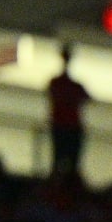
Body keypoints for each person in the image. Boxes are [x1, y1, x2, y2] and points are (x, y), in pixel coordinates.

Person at [46, 44, 90, 183]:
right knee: (66, 161)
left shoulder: (59, 83)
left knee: (63, 160)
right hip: (66, 126)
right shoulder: (62, 84)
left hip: (65, 126)